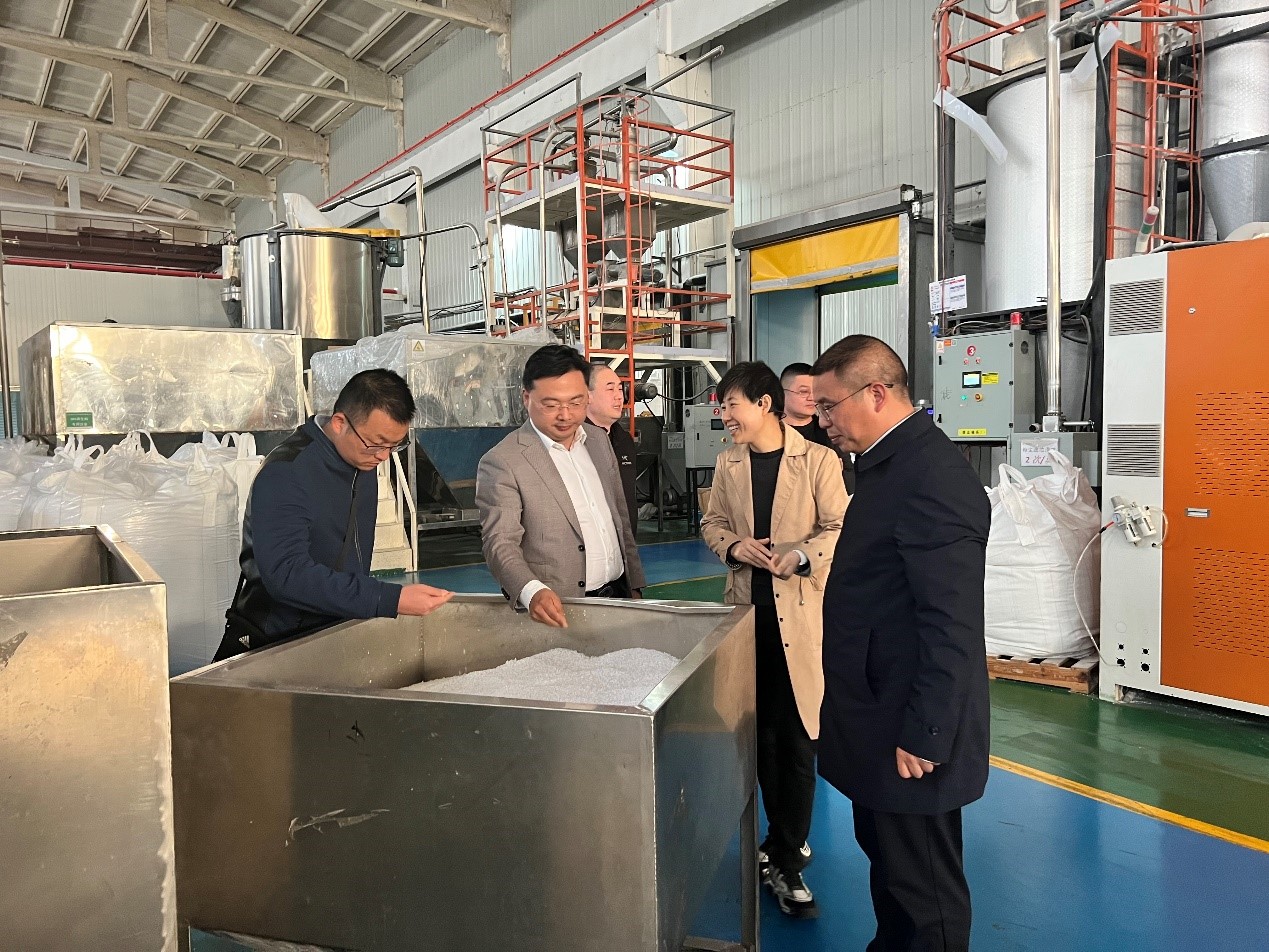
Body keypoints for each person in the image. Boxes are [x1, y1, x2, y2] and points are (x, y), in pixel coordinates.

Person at [810, 335, 990, 952]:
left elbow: (952, 623)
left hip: (909, 730)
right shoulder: (887, 466)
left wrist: (928, 731)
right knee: (891, 870)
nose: (822, 420)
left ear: (877, 394)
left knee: (924, 893)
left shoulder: (931, 478)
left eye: (829, 406)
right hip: (879, 711)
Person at [700, 362, 848, 920]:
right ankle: (779, 842)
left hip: (801, 620)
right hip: (747, 619)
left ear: (763, 404)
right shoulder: (729, 462)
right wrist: (734, 547)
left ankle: (787, 856)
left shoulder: (819, 461)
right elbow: (712, 523)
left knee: (799, 739)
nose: (725, 416)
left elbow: (840, 526)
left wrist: (803, 555)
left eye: (731, 405)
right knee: (759, 738)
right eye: (722, 407)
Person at [215, 369, 454, 661]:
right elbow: (286, 574)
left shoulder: (362, 461)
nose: (383, 456)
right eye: (377, 443)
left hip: (332, 632)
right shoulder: (287, 473)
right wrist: (387, 598)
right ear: (340, 423)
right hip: (278, 641)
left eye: (394, 446)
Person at [476, 344, 646, 628]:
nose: (565, 415)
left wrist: (635, 585)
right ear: (526, 398)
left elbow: (620, 519)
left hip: (619, 596)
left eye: (576, 403)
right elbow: (500, 542)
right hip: (559, 608)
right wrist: (532, 591)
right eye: (551, 405)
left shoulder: (598, 440)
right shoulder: (504, 461)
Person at [783, 361, 856, 493]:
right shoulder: (771, 432)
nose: (812, 397)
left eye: (815, 391)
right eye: (804, 392)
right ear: (781, 393)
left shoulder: (831, 430)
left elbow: (849, 479)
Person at [586, 363, 639, 533]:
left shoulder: (624, 440)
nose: (619, 397)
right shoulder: (576, 441)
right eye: (610, 389)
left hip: (625, 538)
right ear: (588, 396)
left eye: (620, 389)